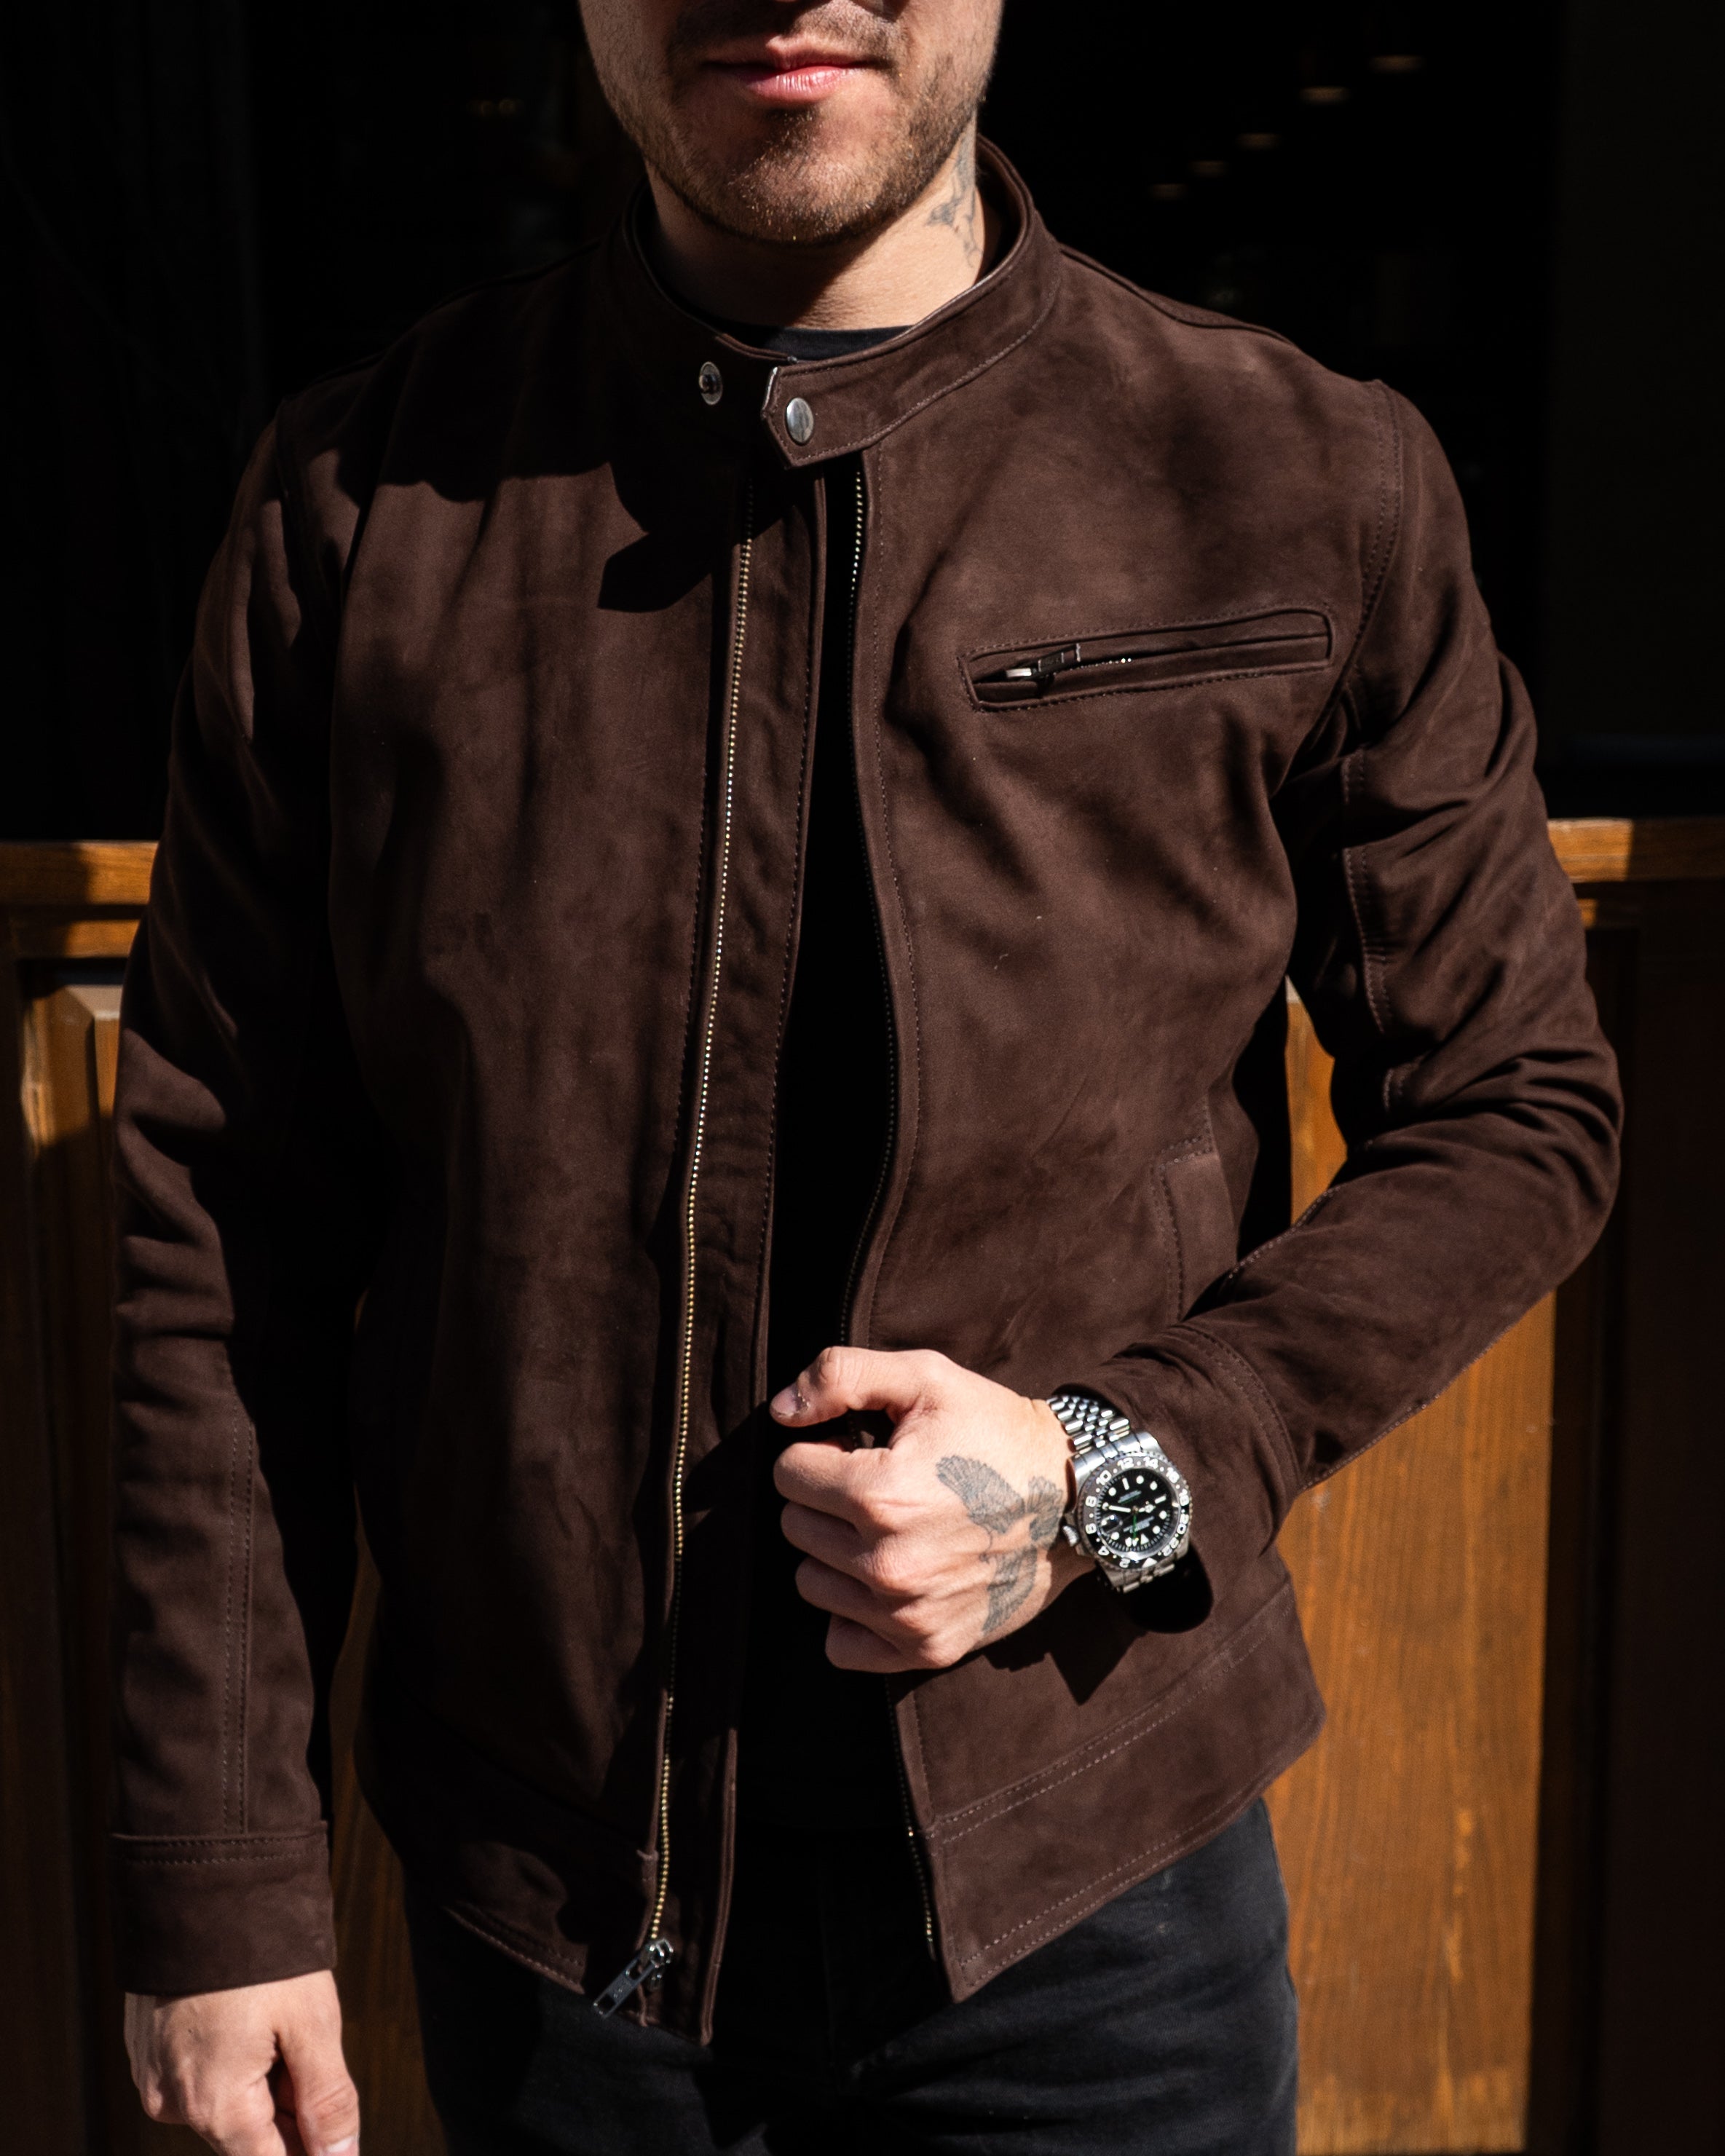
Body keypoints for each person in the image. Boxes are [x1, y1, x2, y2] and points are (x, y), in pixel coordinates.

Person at [113, 1, 1620, 2151]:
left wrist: (1109, 1468)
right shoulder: (357, 505)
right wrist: (220, 1884)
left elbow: (1515, 1107)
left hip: (1098, 1893)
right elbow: (222, 1229)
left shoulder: (1298, 471)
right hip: (559, 1924)